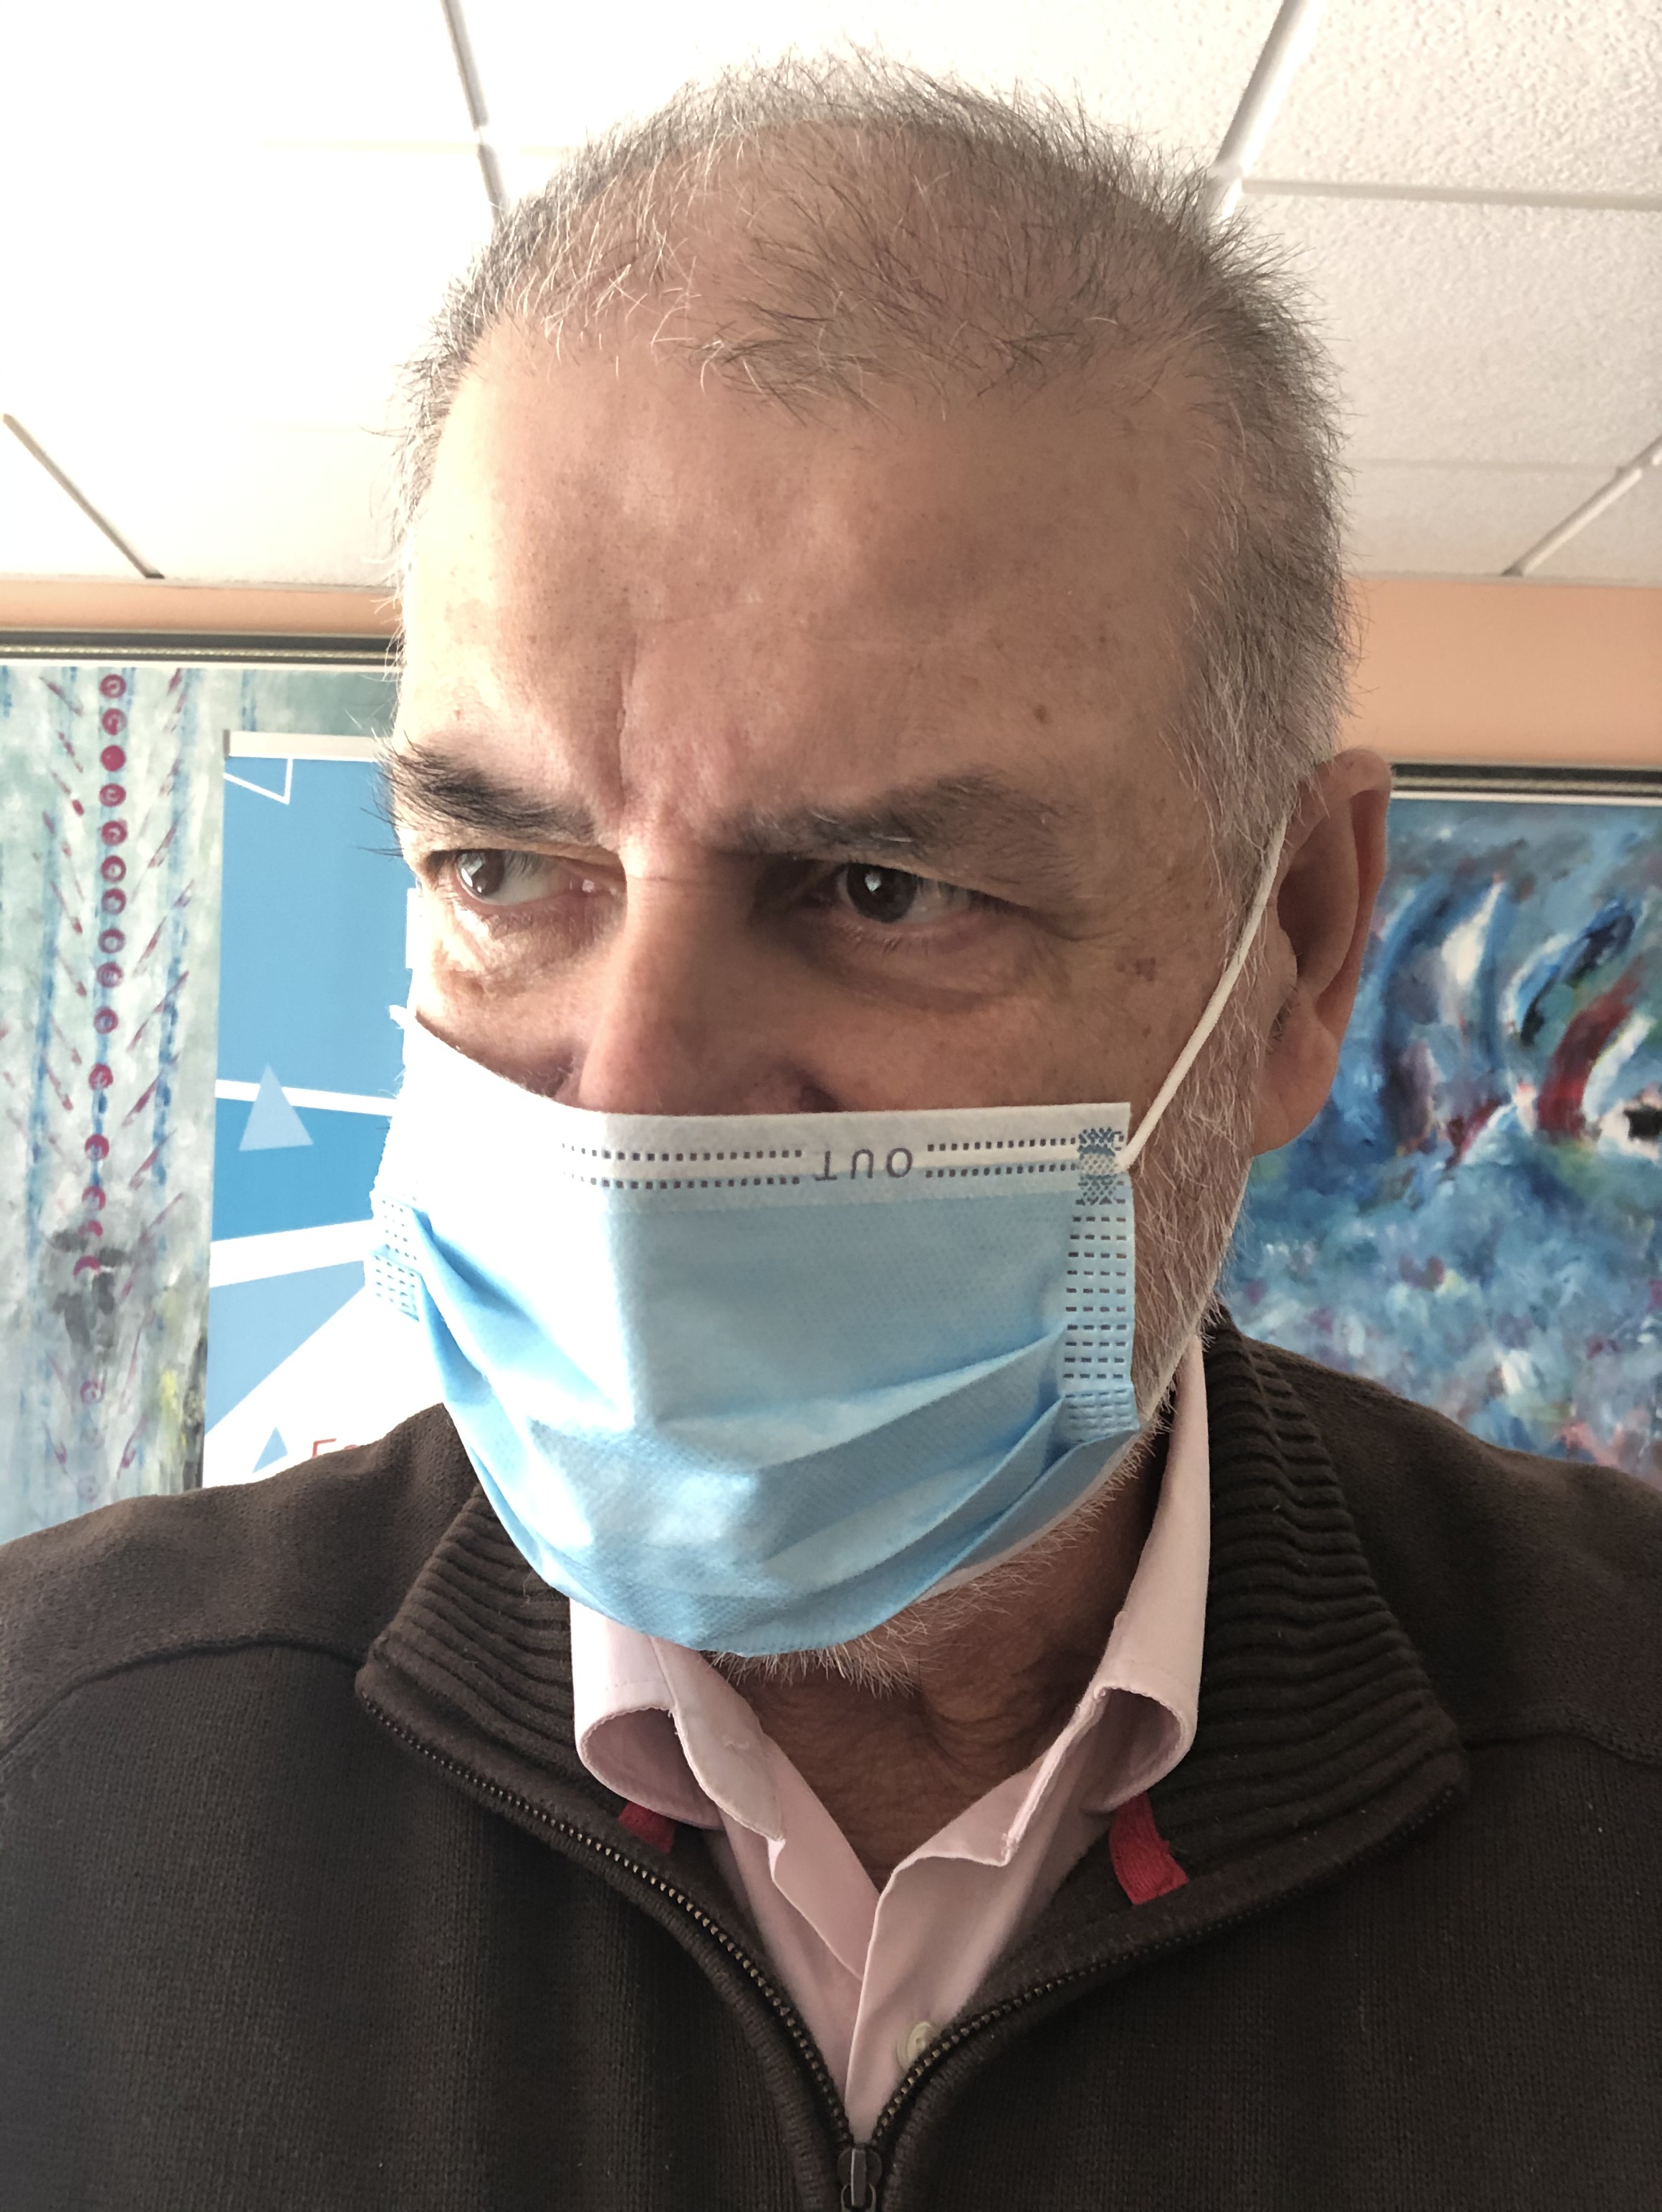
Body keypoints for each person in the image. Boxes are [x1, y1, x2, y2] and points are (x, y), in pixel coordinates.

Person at [3, 59, 1658, 2212]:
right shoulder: (62, 1773)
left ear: (1302, 950)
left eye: (884, 892)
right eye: (503, 868)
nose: (627, 1107)